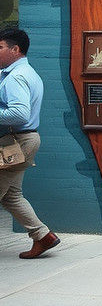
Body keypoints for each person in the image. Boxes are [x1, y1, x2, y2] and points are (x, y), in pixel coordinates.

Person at [0, 28, 59, 259]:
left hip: (16, 142)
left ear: (15, 49)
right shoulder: (25, 72)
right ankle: (43, 236)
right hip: (22, 140)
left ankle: (43, 236)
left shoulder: (16, 77)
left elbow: (19, 113)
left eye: (0, 47)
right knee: (12, 196)